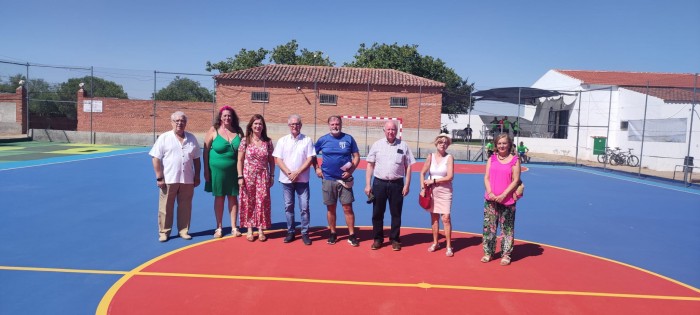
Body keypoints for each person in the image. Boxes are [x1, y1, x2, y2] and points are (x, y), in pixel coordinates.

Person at [149, 111, 201, 242]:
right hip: (169, 179)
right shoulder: (164, 137)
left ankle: (183, 231)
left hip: (187, 179)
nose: (180, 123)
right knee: (166, 207)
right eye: (177, 121)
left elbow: (197, 160)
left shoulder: (192, 138)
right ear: (171, 122)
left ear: (186, 123)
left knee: (185, 206)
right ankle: (164, 232)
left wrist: (197, 176)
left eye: (182, 121)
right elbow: (155, 158)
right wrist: (159, 177)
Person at [364, 120, 416, 251]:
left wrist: (407, 184)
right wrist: (367, 184)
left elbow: (408, 167)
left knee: (396, 213)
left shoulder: (404, 146)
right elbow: (370, 165)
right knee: (377, 213)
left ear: (397, 131)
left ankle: (395, 239)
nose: (391, 132)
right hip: (379, 183)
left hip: (397, 184)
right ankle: (377, 239)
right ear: (384, 130)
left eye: (393, 129)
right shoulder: (377, 145)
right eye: (388, 129)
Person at [313, 115, 361, 247]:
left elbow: (356, 157)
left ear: (341, 124)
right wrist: (317, 168)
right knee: (331, 208)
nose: (335, 126)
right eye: (333, 124)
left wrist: (350, 171)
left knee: (347, 208)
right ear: (329, 125)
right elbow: (312, 154)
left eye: (337, 124)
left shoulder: (348, 139)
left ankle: (352, 235)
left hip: (344, 181)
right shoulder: (323, 140)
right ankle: (333, 233)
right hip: (328, 179)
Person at [273, 114, 316, 245]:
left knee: (304, 207)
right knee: (288, 206)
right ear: (288, 126)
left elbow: (310, 159)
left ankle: (304, 233)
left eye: (297, 124)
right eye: (292, 124)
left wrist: (297, 172)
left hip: (302, 180)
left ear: (300, 126)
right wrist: (288, 172)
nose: (294, 126)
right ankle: (291, 231)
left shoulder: (307, 140)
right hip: (287, 180)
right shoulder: (282, 141)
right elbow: (278, 159)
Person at [203, 105, 244, 239]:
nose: (227, 118)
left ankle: (234, 227)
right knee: (219, 197)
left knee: (233, 197)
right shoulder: (213, 130)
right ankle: (219, 227)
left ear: (233, 118)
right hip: (216, 171)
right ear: (220, 117)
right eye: (225, 115)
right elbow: (206, 150)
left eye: (229, 115)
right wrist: (206, 171)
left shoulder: (238, 131)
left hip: (234, 171)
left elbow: (243, 151)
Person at [482, 133, 521, 266]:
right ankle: (489, 252)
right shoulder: (491, 159)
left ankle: (506, 254)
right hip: (491, 199)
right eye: (499, 143)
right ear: (496, 145)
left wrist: (504, 195)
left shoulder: (515, 160)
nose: (502, 146)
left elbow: (515, 180)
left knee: (507, 228)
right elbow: (486, 177)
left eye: (504, 143)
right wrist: (490, 192)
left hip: (507, 200)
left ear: (509, 144)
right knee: (489, 228)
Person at [238, 114, 275, 242]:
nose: (258, 126)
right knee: (249, 201)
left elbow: (271, 161)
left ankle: (260, 229)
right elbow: (240, 160)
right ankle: (249, 229)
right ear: (251, 126)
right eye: (255, 124)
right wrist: (240, 176)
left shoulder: (268, 142)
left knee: (262, 201)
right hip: (248, 175)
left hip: (263, 175)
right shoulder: (245, 140)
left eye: (260, 124)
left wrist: (272, 175)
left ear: (263, 126)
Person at [419, 134, 455, 256]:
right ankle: (436, 243)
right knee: (434, 218)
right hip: (432, 191)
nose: (443, 144)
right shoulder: (431, 156)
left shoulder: (449, 158)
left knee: (446, 218)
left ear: (447, 145)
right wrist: (423, 188)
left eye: (445, 142)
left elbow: (450, 177)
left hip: (445, 191)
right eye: (440, 142)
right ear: (436, 143)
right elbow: (422, 173)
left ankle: (449, 246)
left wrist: (433, 181)